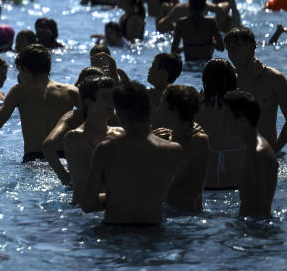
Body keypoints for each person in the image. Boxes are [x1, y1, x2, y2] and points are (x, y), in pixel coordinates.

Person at [0, 44, 78, 161]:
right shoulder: (71, 91)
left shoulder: (19, 91)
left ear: (26, 69)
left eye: (20, 71)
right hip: (65, 160)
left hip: (33, 161)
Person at [81, 81, 183, 225]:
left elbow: (87, 205)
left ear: (120, 114)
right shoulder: (174, 150)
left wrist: (118, 195)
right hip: (154, 233)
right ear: (150, 110)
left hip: (115, 232)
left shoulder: (106, 150)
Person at [224, 26, 287, 151]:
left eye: (236, 48)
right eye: (229, 49)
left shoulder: (274, 79)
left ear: (252, 46)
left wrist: (275, 149)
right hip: (233, 155)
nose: (232, 54)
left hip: (264, 154)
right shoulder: (227, 80)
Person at [63, 75, 121, 208]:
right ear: (89, 103)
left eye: (114, 97)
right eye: (106, 97)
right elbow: (86, 192)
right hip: (85, 213)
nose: (112, 102)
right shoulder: (75, 138)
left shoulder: (120, 133)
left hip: (113, 208)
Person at [153, 84, 209, 212]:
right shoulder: (165, 137)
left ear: (174, 111)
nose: (158, 108)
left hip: (186, 219)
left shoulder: (197, 141)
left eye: (162, 104)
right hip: (168, 213)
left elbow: (193, 193)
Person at [224, 90, 278, 217]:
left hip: (255, 231)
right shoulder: (251, 147)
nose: (223, 121)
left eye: (227, 116)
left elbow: (258, 208)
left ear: (243, 121)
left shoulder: (258, 154)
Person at [195, 59, 243, 189]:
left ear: (206, 82)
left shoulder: (197, 110)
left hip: (207, 183)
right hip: (237, 180)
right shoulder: (244, 108)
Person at [171, 0, 224, 64]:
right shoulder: (211, 22)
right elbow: (221, 48)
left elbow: (174, 51)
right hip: (206, 64)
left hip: (189, 63)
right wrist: (212, 43)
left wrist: (186, 47)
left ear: (190, 5)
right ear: (205, 6)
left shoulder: (181, 23)